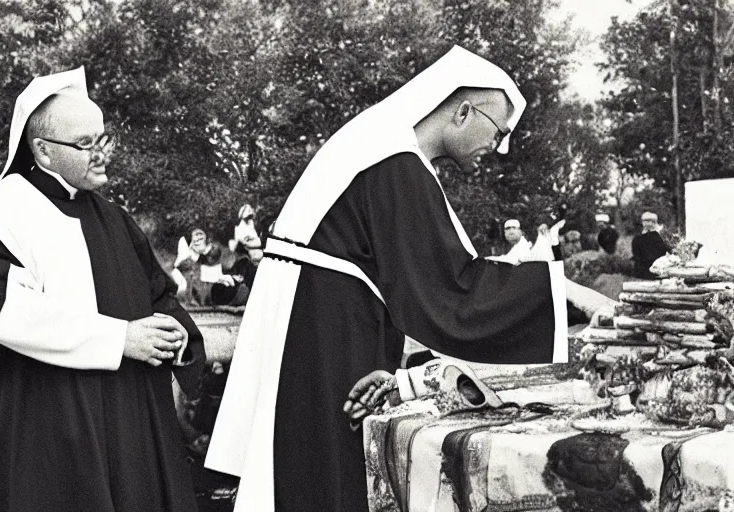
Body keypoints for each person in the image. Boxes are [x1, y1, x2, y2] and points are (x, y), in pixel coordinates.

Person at [204, 46, 616, 512]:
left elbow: (441, 272)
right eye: (498, 132)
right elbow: (455, 289)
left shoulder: (381, 145)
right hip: (323, 330)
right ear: (463, 111)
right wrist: (570, 293)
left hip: (316, 317)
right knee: (322, 479)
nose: (499, 148)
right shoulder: (393, 163)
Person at [0, 68, 205, 511]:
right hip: (50, 419)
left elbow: (158, 294)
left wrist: (179, 338)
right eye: (85, 144)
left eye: (103, 140)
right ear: (43, 151)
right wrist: (120, 339)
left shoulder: (114, 217)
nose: (101, 155)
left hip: (131, 414)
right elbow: (2, 313)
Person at [632, 211, 670, 279]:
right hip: (657, 272)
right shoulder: (660, 238)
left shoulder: (637, 239)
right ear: (654, 223)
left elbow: (636, 256)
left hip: (640, 273)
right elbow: (664, 254)